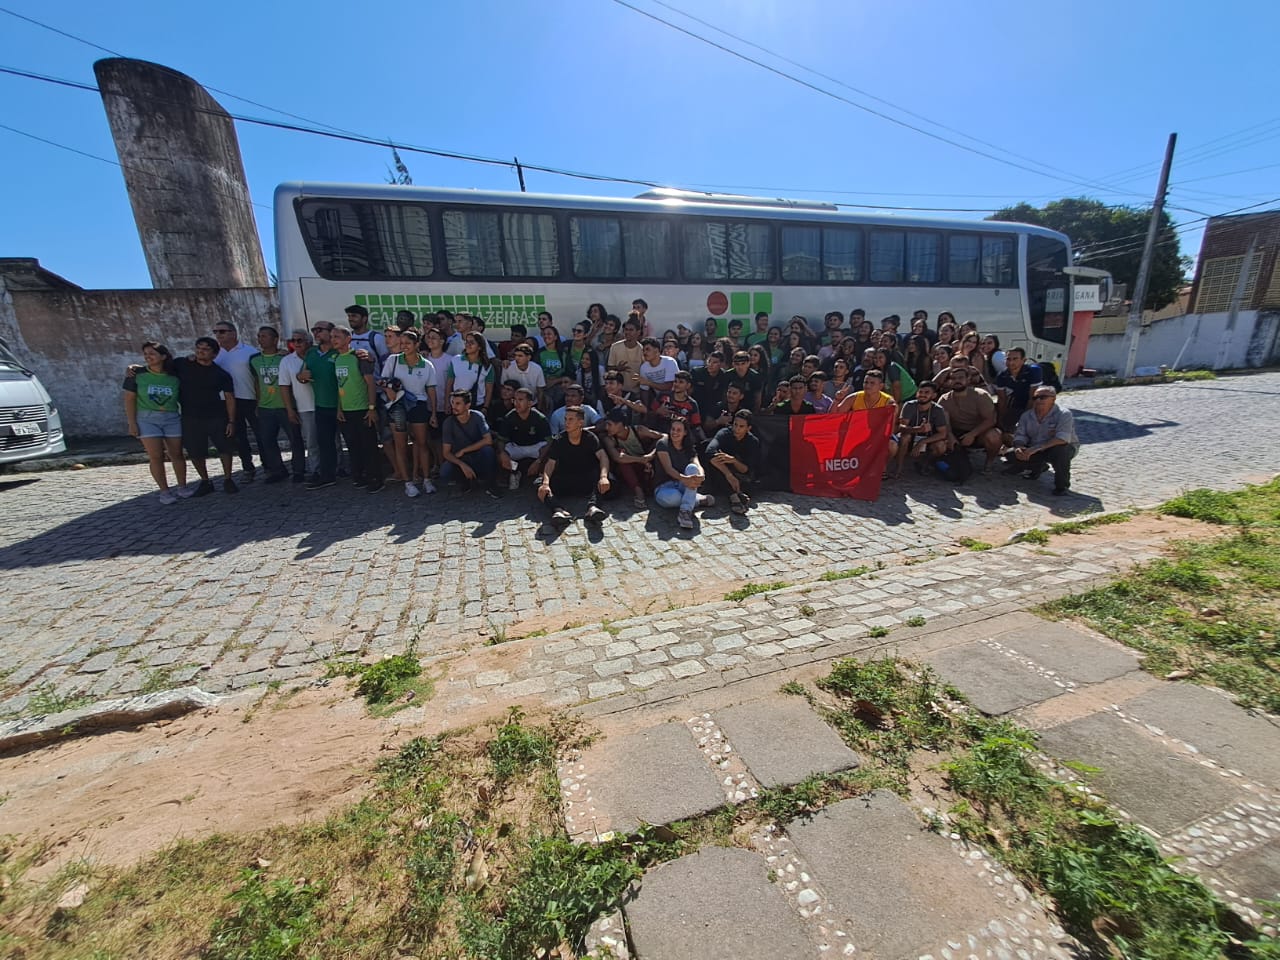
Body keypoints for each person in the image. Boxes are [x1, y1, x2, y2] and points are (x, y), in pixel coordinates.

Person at [123, 340, 194, 503]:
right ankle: (164, 492)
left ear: (163, 356)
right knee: (156, 456)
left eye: (152, 354)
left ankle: (182, 487)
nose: (148, 357)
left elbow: (188, 361)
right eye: (146, 354)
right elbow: (129, 399)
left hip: (171, 417)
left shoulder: (175, 375)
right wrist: (132, 422)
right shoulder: (137, 375)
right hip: (147, 419)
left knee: (176, 454)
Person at [175, 336, 237, 495]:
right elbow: (159, 366)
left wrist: (231, 421)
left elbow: (229, 397)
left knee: (225, 448)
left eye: (205, 349)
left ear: (214, 354)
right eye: (198, 348)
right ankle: (205, 480)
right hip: (190, 416)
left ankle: (228, 479)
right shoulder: (183, 364)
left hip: (216, 415)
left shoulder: (220, 373)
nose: (200, 351)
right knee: (195, 451)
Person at [382, 328, 438, 497]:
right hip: (397, 405)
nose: (404, 346)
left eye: (408, 343)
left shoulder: (427, 364)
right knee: (400, 445)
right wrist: (389, 391)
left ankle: (427, 479)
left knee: (421, 443)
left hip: (419, 405)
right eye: (402, 343)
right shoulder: (393, 360)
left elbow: (431, 390)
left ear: (417, 344)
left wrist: (433, 412)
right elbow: (383, 380)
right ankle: (408, 483)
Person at [537, 404, 611, 528]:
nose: (567, 422)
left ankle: (592, 508)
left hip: (586, 478)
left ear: (580, 422)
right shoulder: (559, 438)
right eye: (566, 419)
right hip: (565, 478)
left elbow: (603, 457)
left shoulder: (590, 437)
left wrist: (604, 477)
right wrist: (545, 483)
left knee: (610, 484)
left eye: (571, 419)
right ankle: (559, 511)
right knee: (539, 484)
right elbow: (550, 464)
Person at [331, 326, 384, 492]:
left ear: (348, 339)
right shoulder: (336, 358)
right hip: (346, 411)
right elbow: (339, 385)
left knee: (369, 446)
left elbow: (370, 384)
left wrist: (371, 408)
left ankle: (375, 478)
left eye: (337, 336)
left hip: (362, 409)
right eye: (332, 336)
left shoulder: (360, 357)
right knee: (353, 446)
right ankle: (359, 476)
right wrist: (339, 408)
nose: (333, 339)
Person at [1004, 386, 1079, 495]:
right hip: (1036, 447)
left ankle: (1062, 486)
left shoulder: (1064, 414)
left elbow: (1062, 439)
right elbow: (1020, 434)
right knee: (1011, 454)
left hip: (1059, 447)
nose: (1038, 400)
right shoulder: (1027, 415)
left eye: (1042, 397)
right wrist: (1019, 447)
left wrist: (1036, 448)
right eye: (1035, 398)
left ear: (1053, 399)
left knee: (1060, 452)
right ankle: (1038, 467)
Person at [211, 321, 260, 482]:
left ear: (233, 333)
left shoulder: (250, 351)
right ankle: (248, 469)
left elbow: (258, 376)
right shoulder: (214, 354)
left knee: (262, 435)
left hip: (250, 398)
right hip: (227, 401)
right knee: (239, 438)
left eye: (222, 331)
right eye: (216, 331)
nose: (218, 334)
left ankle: (270, 467)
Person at [653, 417, 713, 530]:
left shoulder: (688, 446)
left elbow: (696, 463)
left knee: (692, 468)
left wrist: (700, 475)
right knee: (673, 498)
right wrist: (685, 479)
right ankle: (697, 500)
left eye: (678, 430)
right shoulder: (663, 444)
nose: (675, 432)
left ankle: (685, 511)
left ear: (685, 432)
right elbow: (668, 469)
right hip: (664, 486)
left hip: (683, 485)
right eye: (673, 429)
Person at [249, 325, 291, 483]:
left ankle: (299, 469)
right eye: (259, 336)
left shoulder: (285, 357)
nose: (261, 339)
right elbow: (257, 382)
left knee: (294, 438)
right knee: (267, 440)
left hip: (285, 405)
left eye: (264, 336)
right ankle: (277, 470)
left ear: (275, 339)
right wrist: (258, 403)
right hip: (265, 406)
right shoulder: (254, 359)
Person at [939, 367, 1002, 472]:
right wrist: (950, 436)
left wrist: (972, 434)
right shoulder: (944, 399)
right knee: (939, 442)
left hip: (978, 431)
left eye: (960, 377)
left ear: (968, 379)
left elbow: (991, 420)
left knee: (994, 436)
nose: (957, 381)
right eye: (953, 378)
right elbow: (944, 423)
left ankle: (989, 463)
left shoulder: (981, 395)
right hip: (956, 432)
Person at [440, 389, 500, 495]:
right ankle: (466, 481)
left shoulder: (477, 416)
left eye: (458, 403)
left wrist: (464, 450)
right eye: (453, 403)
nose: (454, 406)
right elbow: (446, 452)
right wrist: (462, 465)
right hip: (462, 458)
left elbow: (488, 440)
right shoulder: (448, 423)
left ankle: (491, 484)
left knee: (488, 451)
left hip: (477, 454)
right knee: (445, 471)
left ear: (467, 405)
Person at [601, 406, 662, 508]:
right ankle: (638, 492)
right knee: (623, 462)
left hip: (646, 465)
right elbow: (617, 458)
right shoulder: (609, 439)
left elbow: (664, 437)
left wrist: (651, 454)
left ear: (620, 424)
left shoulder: (639, 430)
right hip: (628, 468)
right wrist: (641, 460)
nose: (607, 428)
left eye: (609, 424)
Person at [704, 409, 761, 515]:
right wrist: (729, 475)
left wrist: (733, 461)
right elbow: (709, 452)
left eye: (741, 426)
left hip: (740, 474)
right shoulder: (725, 433)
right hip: (722, 471)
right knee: (715, 463)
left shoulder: (753, 442)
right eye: (735, 424)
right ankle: (734, 496)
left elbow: (747, 469)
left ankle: (735, 493)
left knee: (751, 484)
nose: (737, 429)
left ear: (748, 428)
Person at [888, 380, 949, 479]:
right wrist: (918, 429)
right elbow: (901, 427)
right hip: (911, 438)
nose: (922, 395)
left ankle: (926, 463)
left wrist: (922, 442)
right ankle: (898, 467)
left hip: (927, 440)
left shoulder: (938, 410)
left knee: (941, 446)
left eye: (927, 393)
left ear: (933, 395)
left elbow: (942, 433)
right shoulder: (909, 405)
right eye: (920, 392)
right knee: (904, 437)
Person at [279, 329, 316, 483]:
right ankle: (315, 470)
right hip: (304, 407)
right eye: (293, 341)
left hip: (325, 404)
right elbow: (284, 386)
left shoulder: (317, 356)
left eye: (300, 340)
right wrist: (289, 409)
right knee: (312, 442)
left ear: (308, 342)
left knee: (333, 440)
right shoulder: (287, 361)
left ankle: (337, 467)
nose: (296, 344)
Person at [497, 387, 551, 490]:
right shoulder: (509, 417)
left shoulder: (540, 418)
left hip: (535, 447)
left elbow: (549, 442)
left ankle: (542, 477)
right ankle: (514, 472)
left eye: (521, 400)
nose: (517, 403)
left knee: (550, 454)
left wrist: (539, 461)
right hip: (517, 446)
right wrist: (503, 453)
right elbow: (501, 439)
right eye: (515, 400)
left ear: (530, 403)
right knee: (499, 455)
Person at [994, 347, 1043, 435]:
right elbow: (1002, 399)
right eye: (1008, 359)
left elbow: (1033, 398)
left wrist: (1023, 421)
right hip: (1017, 402)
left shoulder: (1033, 371)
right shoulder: (1002, 376)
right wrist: (1001, 420)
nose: (1011, 362)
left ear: (1023, 360)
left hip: (1037, 403)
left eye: (1015, 359)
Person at [447, 332, 496, 409]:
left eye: (472, 342)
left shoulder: (487, 366)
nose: (468, 344)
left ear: (479, 347)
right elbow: (449, 384)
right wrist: (447, 403)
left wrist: (485, 407)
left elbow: (489, 390)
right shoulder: (456, 360)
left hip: (477, 406)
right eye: (467, 341)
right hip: (456, 405)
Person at [637, 336, 679, 415]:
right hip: (658, 401)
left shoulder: (669, 362)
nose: (644, 353)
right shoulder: (644, 367)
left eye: (647, 349)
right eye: (643, 350)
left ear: (656, 351)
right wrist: (647, 411)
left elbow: (669, 386)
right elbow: (644, 391)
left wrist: (649, 383)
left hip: (675, 400)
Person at [607, 315, 645, 393]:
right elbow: (609, 369)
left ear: (638, 332)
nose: (628, 332)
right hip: (618, 391)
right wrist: (618, 368)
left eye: (631, 330)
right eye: (626, 330)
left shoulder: (642, 349)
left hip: (636, 391)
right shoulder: (615, 347)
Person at [503, 343, 546, 408]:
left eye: (520, 356)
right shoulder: (508, 367)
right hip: (513, 404)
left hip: (532, 404)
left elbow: (540, 390)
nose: (517, 358)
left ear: (528, 357)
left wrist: (539, 409)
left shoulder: (537, 369)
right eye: (515, 355)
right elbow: (503, 387)